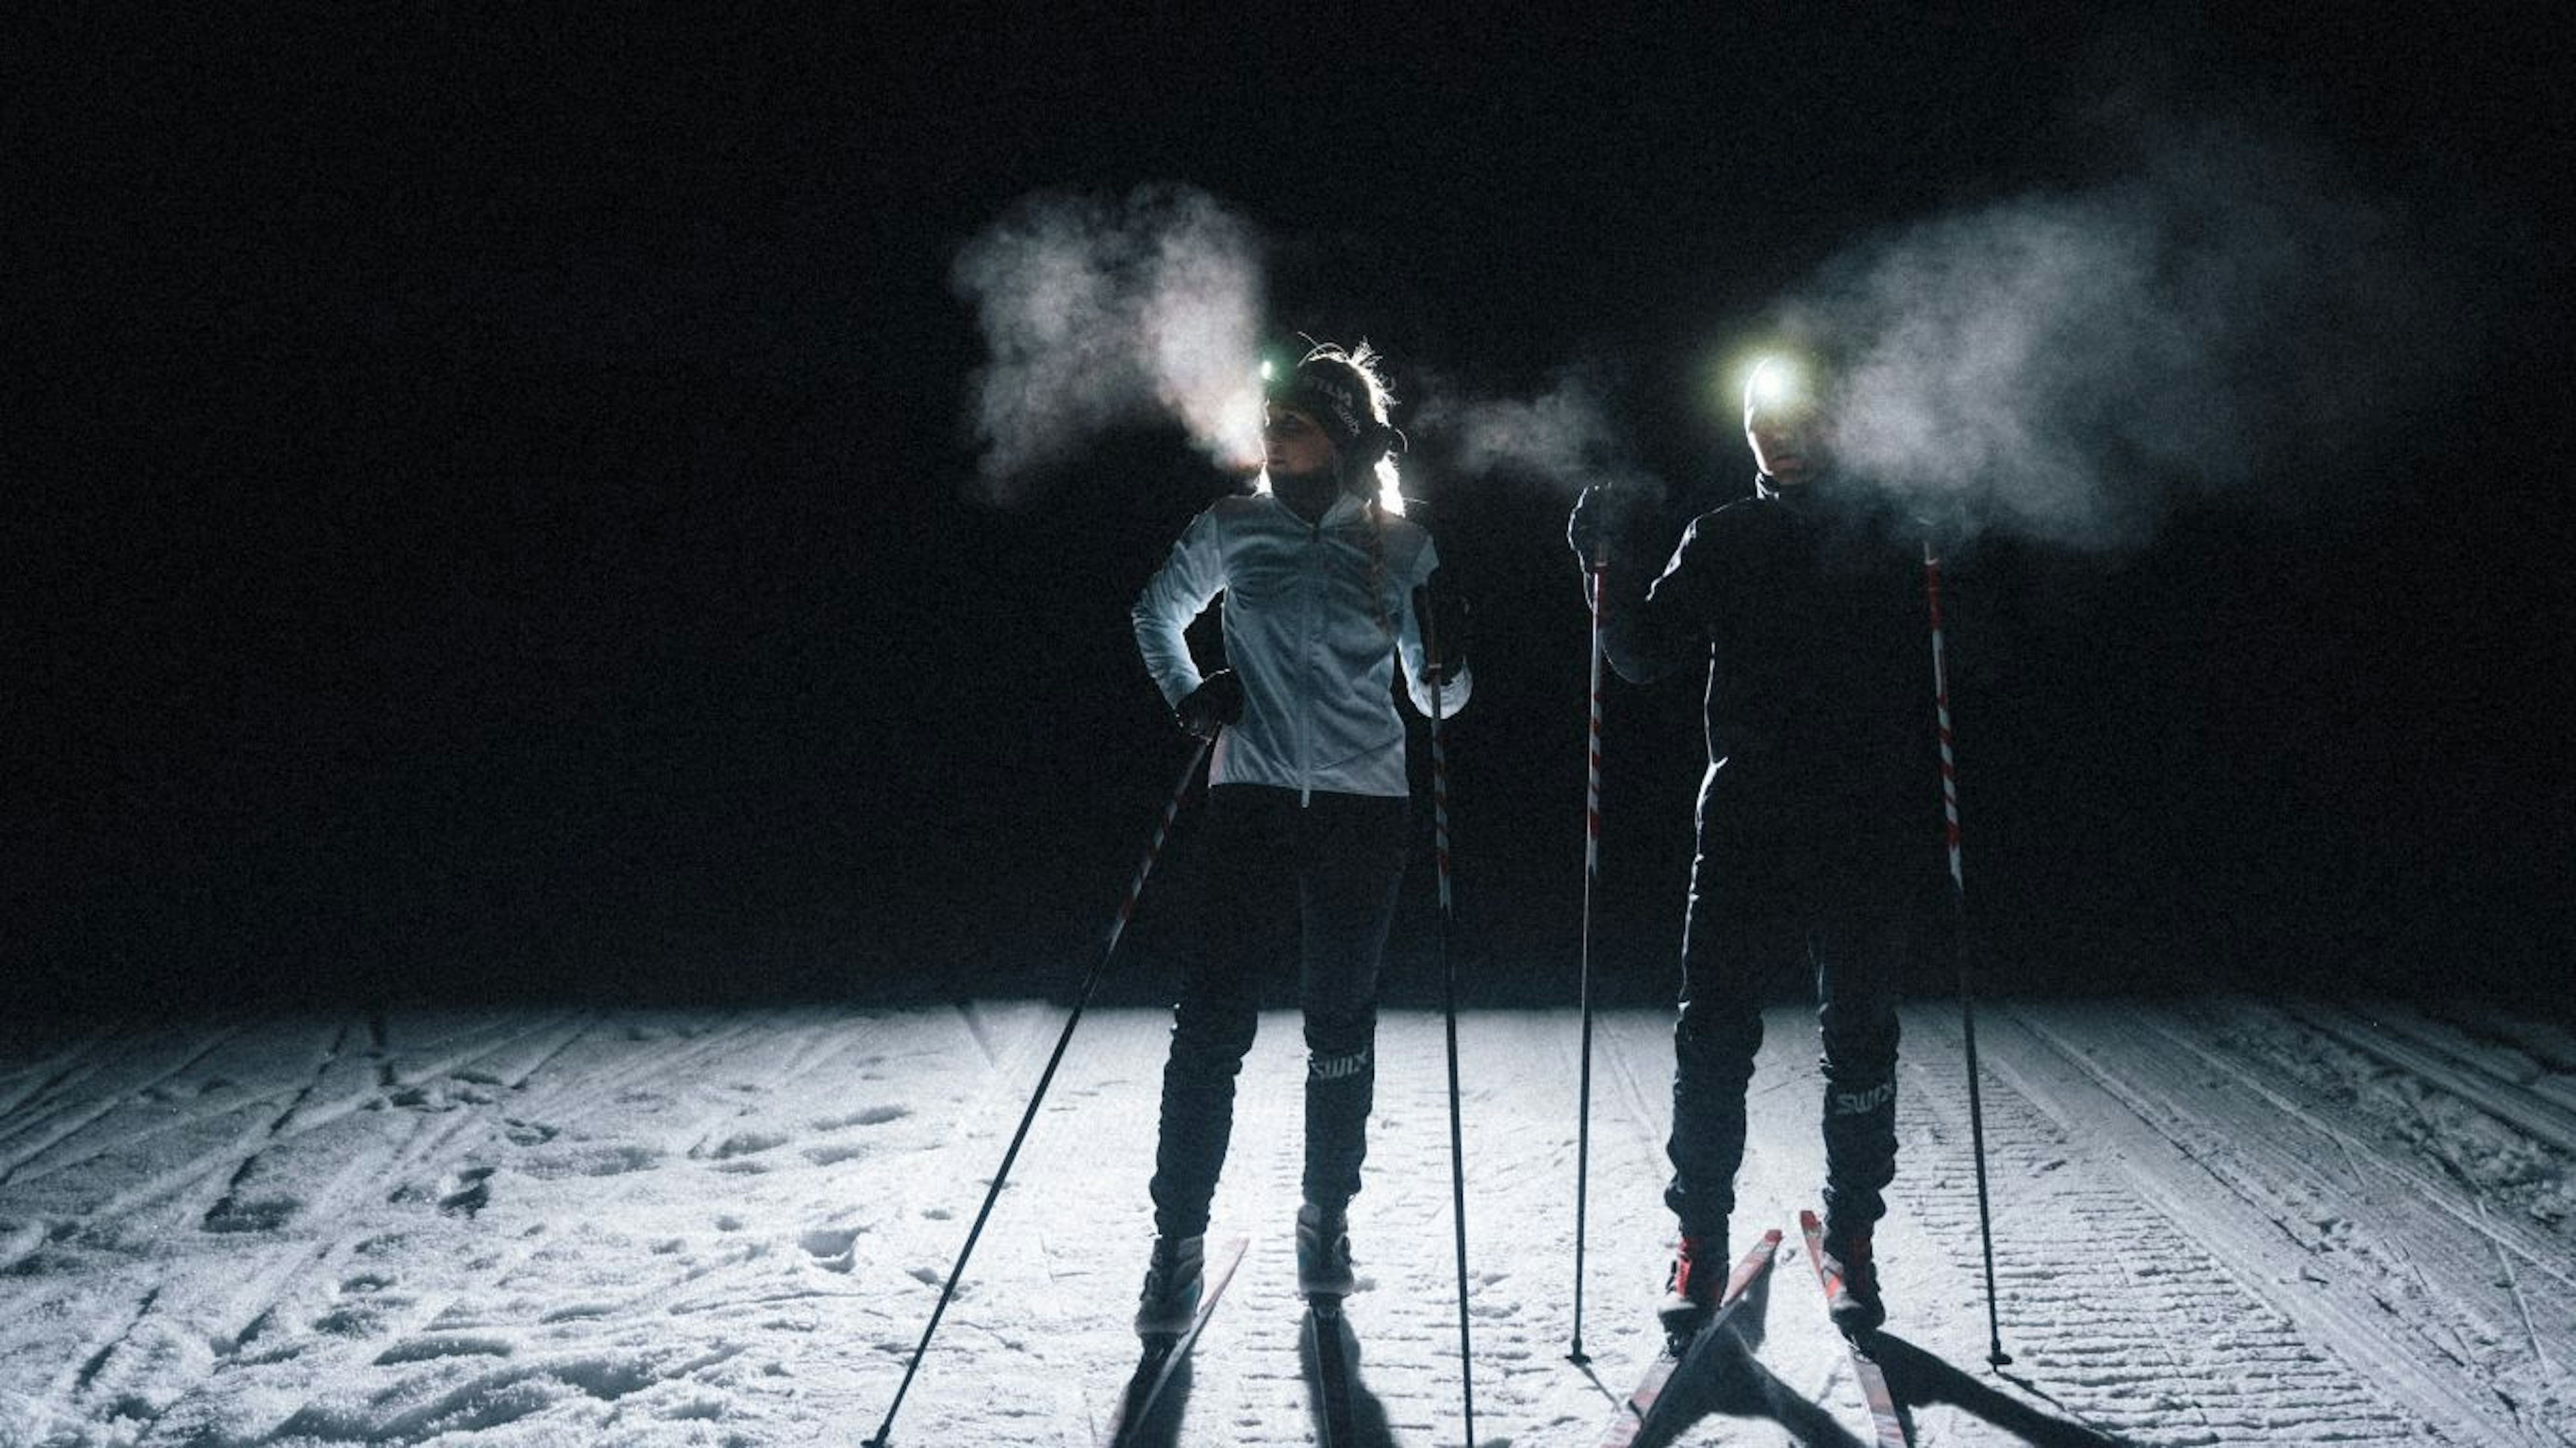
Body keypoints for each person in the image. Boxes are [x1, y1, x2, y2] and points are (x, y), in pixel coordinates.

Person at [1568, 354, 1940, 1343]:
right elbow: (1646, 654)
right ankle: (1697, 1240)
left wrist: (1952, 561)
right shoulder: (1727, 535)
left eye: (1798, 415)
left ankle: (1853, 1238)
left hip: (1863, 820)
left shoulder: (1888, 532)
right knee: (1713, 1039)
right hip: (1745, 818)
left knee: (1860, 1036)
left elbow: (1969, 650)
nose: (1776, 433)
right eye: (1758, 419)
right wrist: (1601, 570)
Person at [1128, 341, 1470, 1337]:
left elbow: (1436, 698)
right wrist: (1194, 699)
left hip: (1366, 809)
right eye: (1270, 420)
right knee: (1211, 1026)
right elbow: (1156, 614)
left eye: (1297, 422)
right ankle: (1176, 1246)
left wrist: (1450, 663)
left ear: (1344, 437)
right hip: (1255, 798)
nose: (1274, 434)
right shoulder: (1232, 527)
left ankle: (1325, 1223)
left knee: (1338, 1029)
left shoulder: (1400, 545)